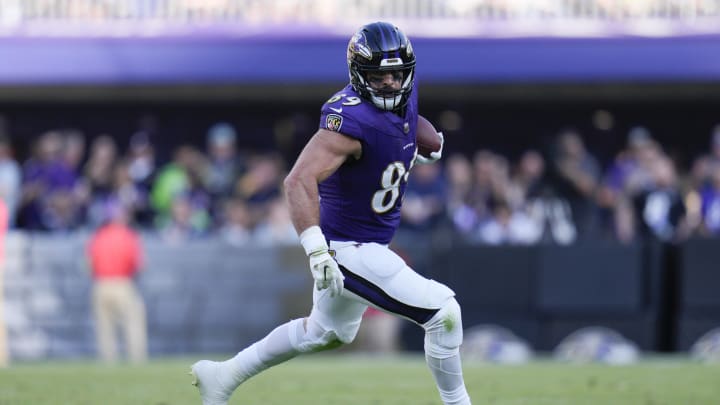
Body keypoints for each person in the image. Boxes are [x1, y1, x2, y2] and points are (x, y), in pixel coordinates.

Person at [190, 21, 472, 405]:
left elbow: (405, 118)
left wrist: (424, 138)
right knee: (444, 313)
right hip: (346, 248)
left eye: (397, 74)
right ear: (359, 75)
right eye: (380, 76)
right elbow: (297, 181)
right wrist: (316, 249)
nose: (391, 83)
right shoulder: (348, 121)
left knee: (325, 332)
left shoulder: (403, 90)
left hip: (369, 242)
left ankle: (222, 376)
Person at [87, 203, 147, 364]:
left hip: (101, 284)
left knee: (104, 328)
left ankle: (108, 360)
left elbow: (89, 264)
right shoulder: (129, 235)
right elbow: (139, 265)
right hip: (122, 283)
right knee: (132, 324)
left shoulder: (99, 235)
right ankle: (136, 359)